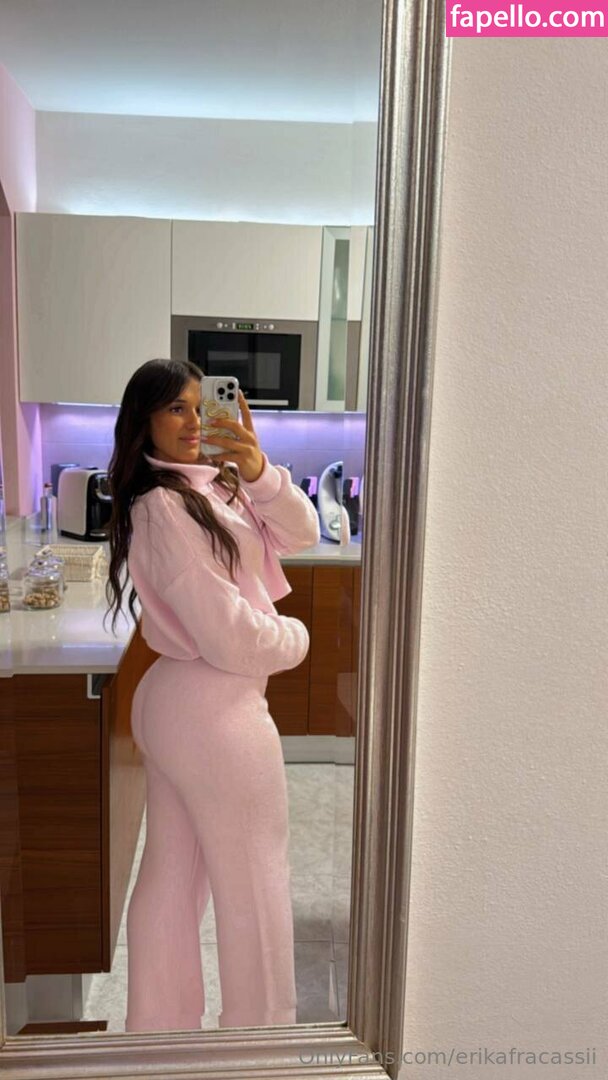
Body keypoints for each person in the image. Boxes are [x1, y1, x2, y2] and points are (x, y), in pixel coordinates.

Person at [106, 358, 320, 1032]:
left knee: (174, 873)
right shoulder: (166, 506)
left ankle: (159, 1037)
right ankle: (260, 1046)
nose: (195, 421)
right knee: (255, 882)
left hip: (185, 706)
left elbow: (303, 534)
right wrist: (296, 638)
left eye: (202, 406)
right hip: (213, 710)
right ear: (144, 423)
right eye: (177, 408)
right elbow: (229, 636)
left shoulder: (211, 484)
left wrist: (257, 471)